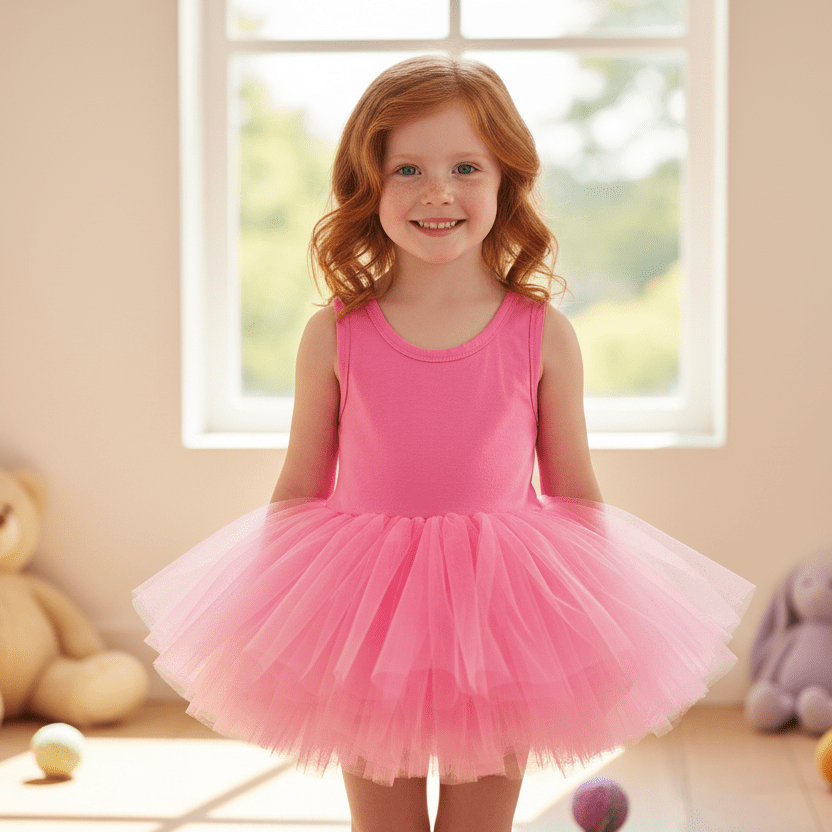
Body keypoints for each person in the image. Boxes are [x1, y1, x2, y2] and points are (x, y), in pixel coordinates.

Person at [133, 55, 755, 832]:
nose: (438, 192)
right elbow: (299, 487)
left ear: (505, 183)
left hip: (502, 618)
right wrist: (265, 616)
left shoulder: (542, 335)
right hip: (361, 613)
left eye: (466, 166)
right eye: (408, 169)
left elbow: (573, 492)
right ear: (370, 185)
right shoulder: (333, 335)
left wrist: (595, 623)